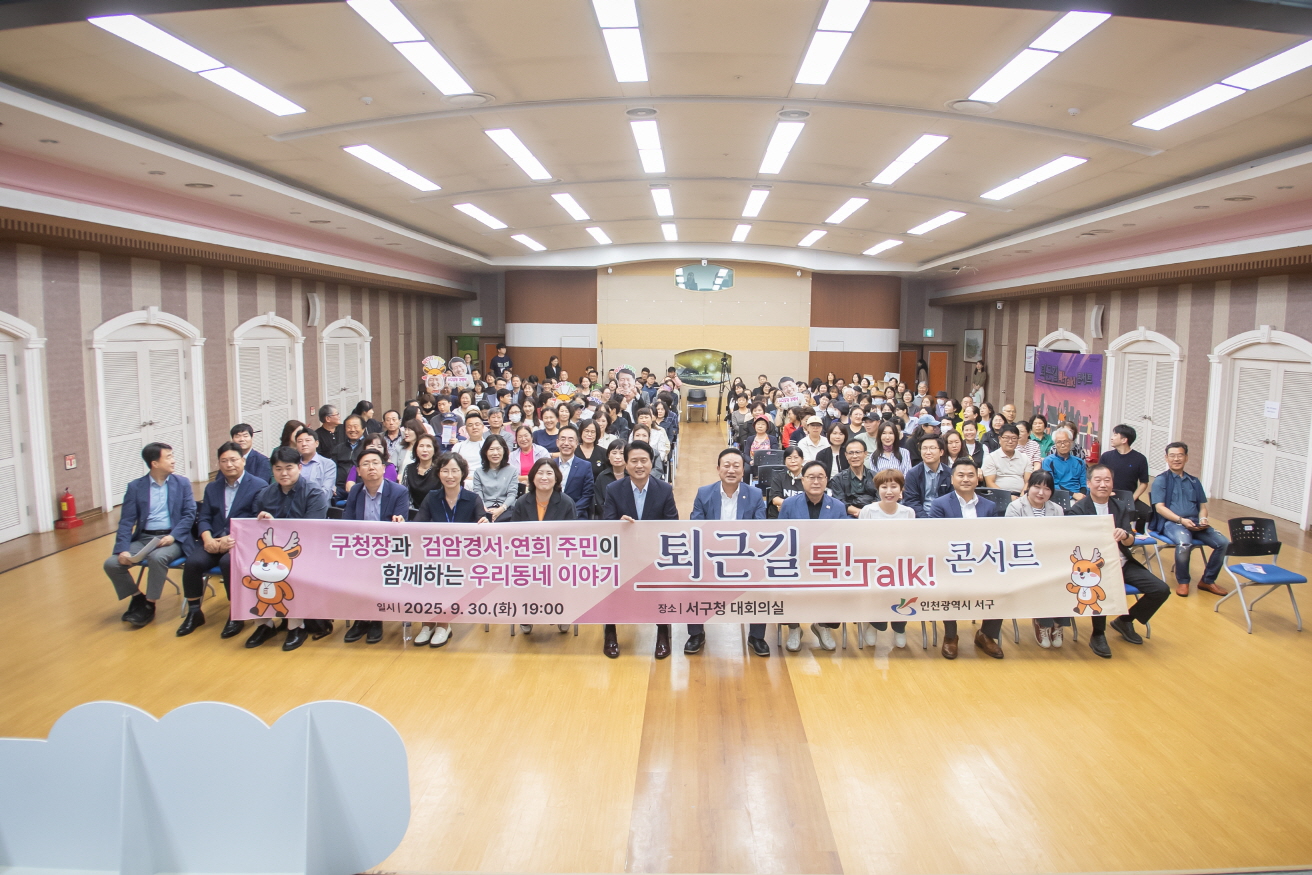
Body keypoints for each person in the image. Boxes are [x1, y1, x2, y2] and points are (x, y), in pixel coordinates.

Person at [1070, 463, 1172, 658]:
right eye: (1098, 480)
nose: (1103, 484)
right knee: (1098, 585)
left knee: (1161, 589)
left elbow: (1131, 540)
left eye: (1107, 480)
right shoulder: (1078, 509)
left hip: (1121, 562)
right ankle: (1098, 633)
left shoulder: (1119, 506)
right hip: (1095, 567)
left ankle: (1125, 620)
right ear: (1089, 483)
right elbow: (1076, 543)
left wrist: (1124, 535)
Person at [176, 442, 267, 638]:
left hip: (242, 543)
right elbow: (204, 517)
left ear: (243, 461)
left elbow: (255, 521)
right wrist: (208, 538)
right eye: (224, 461)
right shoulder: (212, 487)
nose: (229, 464)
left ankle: (237, 613)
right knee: (193, 562)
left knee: (228, 563)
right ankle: (194, 612)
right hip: (214, 540)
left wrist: (232, 539)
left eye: (233, 460)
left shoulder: (258, 485)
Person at [247, 445, 332, 651]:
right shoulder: (265, 494)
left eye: (289, 468)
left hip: (307, 551)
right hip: (272, 551)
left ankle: (296, 626)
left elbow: (311, 530)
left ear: (299, 468)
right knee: (249, 568)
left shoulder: (314, 493)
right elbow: (254, 528)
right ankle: (264, 625)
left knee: (289, 570)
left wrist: (275, 524)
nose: (283, 473)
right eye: (278, 469)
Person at [104, 442, 196, 628]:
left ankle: (149, 605)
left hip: (173, 539)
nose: (173, 460)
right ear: (155, 463)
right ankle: (138, 597)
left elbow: (189, 514)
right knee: (111, 564)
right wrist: (122, 549)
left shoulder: (182, 483)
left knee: (157, 558)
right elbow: (126, 522)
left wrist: (173, 536)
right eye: (168, 457)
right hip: (145, 538)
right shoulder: (135, 487)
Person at [601, 440, 678, 659]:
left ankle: (662, 632)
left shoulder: (664, 489)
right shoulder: (614, 489)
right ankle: (610, 632)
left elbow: (673, 524)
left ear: (651, 462)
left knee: (662, 582)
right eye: (634, 461)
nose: (639, 465)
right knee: (610, 579)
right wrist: (619, 524)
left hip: (654, 553)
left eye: (644, 460)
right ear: (626, 464)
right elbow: (607, 523)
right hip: (623, 552)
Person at [688, 449, 769, 656]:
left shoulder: (755, 494)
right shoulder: (704, 493)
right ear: (718, 469)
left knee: (763, 580)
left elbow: (760, 528)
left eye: (736, 466)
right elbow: (696, 526)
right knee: (692, 577)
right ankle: (696, 633)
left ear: (743, 470)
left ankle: (756, 636)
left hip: (745, 555)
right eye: (726, 465)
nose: (731, 470)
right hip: (711, 555)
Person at [414, 453, 491, 648]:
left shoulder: (473, 498)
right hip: (436, 556)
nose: (450, 476)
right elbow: (417, 525)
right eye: (445, 471)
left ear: (463, 473)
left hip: (464, 560)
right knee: (427, 571)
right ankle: (428, 624)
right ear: (438, 473)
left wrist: (484, 523)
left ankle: (443, 625)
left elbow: (483, 525)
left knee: (444, 574)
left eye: (455, 471)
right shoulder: (431, 497)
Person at [929, 458, 1002, 659]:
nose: (966, 479)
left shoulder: (989, 506)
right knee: (947, 586)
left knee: (1002, 585)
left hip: (982, 562)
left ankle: (986, 635)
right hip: (950, 562)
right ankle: (950, 636)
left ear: (978, 479)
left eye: (971, 475)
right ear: (952, 479)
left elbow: (995, 538)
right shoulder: (940, 504)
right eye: (960, 475)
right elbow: (935, 537)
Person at [341, 446, 410, 646]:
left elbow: (401, 524)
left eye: (375, 463)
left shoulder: (398, 491)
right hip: (361, 548)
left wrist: (399, 521)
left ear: (383, 468)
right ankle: (362, 618)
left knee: (375, 570)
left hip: (388, 549)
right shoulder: (355, 491)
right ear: (358, 471)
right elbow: (347, 522)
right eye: (365, 464)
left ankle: (375, 618)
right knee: (353, 568)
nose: (371, 467)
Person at [777, 460, 846, 652]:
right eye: (811, 477)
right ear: (802, 480)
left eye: (820, 477)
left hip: (826, 562)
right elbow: (781, 536)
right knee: (785, 584)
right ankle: (794, 627)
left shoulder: (838, 506)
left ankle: (823, 626)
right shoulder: (789, 504)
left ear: (827, 480)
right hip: (796, 562)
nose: (816, 482)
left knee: (839, 584)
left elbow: (843, 539)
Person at [1151, 442, 1229, 597]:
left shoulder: (1194, 481)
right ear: (1166, 458)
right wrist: (1181, 520)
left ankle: (1207, 580)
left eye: (1180, 455)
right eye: (1172, 456)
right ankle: (1183, 581)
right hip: (1172, 523)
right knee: (1184, 542)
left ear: (1186, 458)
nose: (1176, 459)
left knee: (1223, 543)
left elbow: (1202, 507)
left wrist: (1203, 519)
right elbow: (1160, 508)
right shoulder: (1161, 480)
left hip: (1195, 522)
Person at [1002, 470, 1070, 648]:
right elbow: (1011, 538)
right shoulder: (1015, 507)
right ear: (1029, 487)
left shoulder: (1057, 509)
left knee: (1066, 577)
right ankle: (1043, 623)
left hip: (1050, 560)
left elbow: (1061, 538)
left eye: (1046, 489)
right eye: (1037, 487)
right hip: (1024, 560)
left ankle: (1058, 624)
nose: (1041, 493)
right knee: (1043, 580)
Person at [859, 468, 915, 648]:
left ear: (901, 489)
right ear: (878, 489)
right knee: (876, 590)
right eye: (884, 487)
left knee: (903, 588)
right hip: (874, 565)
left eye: (894, 486)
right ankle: (874, 624)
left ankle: (899, 627)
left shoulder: (908, 512)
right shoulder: (868, 511)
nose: (889, 491)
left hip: (900, 566)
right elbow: (861, 541)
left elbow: (911, 543)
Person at [1101, 424, 1152, 516]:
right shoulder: (1106, 456)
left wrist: (1132, 499)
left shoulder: (1140, 459)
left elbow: (1144, 483)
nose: (1111, 438)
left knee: (1149, 513)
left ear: (1124, 440)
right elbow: (1098, 477)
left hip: (1129, 498)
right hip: (1108, 497)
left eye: (1115, 435)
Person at [902, 434, 952, 518]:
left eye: (932, 448)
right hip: (920, 518)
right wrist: (925, 520)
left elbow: (951, 499)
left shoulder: (949, 473)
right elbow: (911, 501)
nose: (928, 452)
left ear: (941, 452)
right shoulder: (913, 474)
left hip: (944, 517)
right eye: (924, 448)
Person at [471, 434, 516, 521]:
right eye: (491, 449)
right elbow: (478, 493)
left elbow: (512, 494)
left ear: (504, 451)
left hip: (505, 509)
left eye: (498, 449)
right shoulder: (478, 472)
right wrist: (483, 508)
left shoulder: (512, 470)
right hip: (485, 509)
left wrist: (501, 509)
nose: (495, 453)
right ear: (485, 452)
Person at [553, 424, 594, 520]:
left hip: (576, 515)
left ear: (576, 443)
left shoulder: (585, 466)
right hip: (552, 515)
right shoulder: (550, 465)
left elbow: (587, 495)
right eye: (563, 439)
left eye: (570, 440)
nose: (566, 443)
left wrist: (572, 513)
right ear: (557, 442)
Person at [829, 439, 877, 517]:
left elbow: (879, 499)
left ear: (865, 454)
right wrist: (862, 513)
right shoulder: (838, 479)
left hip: (874, 514)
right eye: (850, 453)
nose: (854, 456)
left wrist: (868, 513)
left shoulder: (876, 477)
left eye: (858, 452)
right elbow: (840, 503)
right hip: (849, 516)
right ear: (846, 455)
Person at [982, 424, 1030, 494]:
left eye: (1014, 438)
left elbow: (1028, 482)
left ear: (1018, 440)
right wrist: (1007, 497)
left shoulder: (1025, 458)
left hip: (1021, 495)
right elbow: (990, 483)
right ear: (999, 439)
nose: (1010, 441)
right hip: (997, 495)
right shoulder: (991, 458)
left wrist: (1022, 497)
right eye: (1006, 438)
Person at [1041, 427, 1086, 501]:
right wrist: (1073, 495)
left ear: (1071, 442)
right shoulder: (1048, 461)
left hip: (1079, 497)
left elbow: (1084, 484)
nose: (1062, 445)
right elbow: (1050, 484)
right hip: (1059, 496)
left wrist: (1082, 498)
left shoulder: (1079, 462)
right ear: (1055, 444)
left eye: (1065, 441)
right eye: (1059, 442)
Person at [292, 426, 336, 500]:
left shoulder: (328, 464)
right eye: (300, 441)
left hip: (319, 504)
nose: (304, 444)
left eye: (308, 440)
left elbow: (326, 492)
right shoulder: (293, 463)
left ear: (316, 443)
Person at [330, 414, 367, 500]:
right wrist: (332, 485)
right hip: (339, 488)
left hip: (361, 487)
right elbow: (332, 468)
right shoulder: (338, 448)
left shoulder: (368, 446)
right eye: (349, 427)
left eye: (355, 426)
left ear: (363, 429)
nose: (352, 430)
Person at [401, 432, 440, 512]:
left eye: (428, 446)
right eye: (421, 446)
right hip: (412, 513)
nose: (424, 450)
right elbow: (405, 495)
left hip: (435, 513)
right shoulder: (409, 468)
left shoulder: (439, 470)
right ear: (416, 449)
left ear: (434, 450)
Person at [592, 440, 628, 519]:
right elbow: (600, 503)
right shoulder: (602, 477)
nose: (617, 457)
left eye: (622, 453)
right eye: (614, 453)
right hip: (607, 520)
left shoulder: (632, 476)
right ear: (608, 455)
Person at [767, 446, 805, 517]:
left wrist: (786, 505)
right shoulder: (778, 477)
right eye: (789, 458)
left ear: (802, 460)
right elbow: (775, 499)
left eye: (796, 457)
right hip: (781, 516)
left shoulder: (808, 478)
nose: (793, 461)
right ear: (784, 461)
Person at [453, 410, 488, 484]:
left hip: (484, 482)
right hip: (462, 481)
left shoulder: (489, 446)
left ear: (482, 427)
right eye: (470, 425)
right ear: (466, 429)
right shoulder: (458, 446)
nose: (474, 427)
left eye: (477, 424)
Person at [512, 424, 549, 492]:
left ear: (531, 437)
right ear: (516, 439)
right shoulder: (512, 456)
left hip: (540, 487)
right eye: (520, 437)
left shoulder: (542, 452)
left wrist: (528, 479)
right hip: (519, 488)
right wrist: (525, 480)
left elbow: (546, 472)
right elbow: (510, 476)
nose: (523, 439)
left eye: (526, 436)